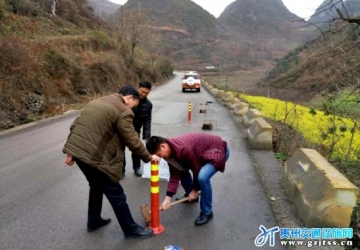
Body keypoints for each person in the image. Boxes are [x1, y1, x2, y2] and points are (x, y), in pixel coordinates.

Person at [63, 85, 161, 238]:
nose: (132, 109)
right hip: (94, 157)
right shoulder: (123, 111)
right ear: (129, 98)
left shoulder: (97, 101)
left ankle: (93, 221)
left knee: (96, 186)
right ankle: (131, 229)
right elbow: (132, 140)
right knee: (116, 193)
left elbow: (76, 126)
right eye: (133, 105)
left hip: (80, 155)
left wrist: (71, 152)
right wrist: (149, 157)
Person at [146, 133, 230, 226]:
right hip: (202, 153)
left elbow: (196, 169)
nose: (160, 158)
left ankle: (207, 212)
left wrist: (195, 190)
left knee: (202, 177)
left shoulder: (183, 148)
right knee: (180, 168)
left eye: (159, 155)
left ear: (163, 146)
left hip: (217, 151)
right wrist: (168, 198)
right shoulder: (169, 153)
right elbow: (174, 175)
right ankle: (192, 197)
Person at [122, 81, 153, 177]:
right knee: (119, 151)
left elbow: (147, 121)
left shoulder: (148, 105)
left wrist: (146, 137)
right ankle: (121, 170)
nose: (143, 94)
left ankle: (137, 167)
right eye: (142, 91)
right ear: (137, 87)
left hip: (135, 131)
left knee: (136, 150)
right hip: (121, 129)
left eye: (146, 93)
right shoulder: (128, 98)